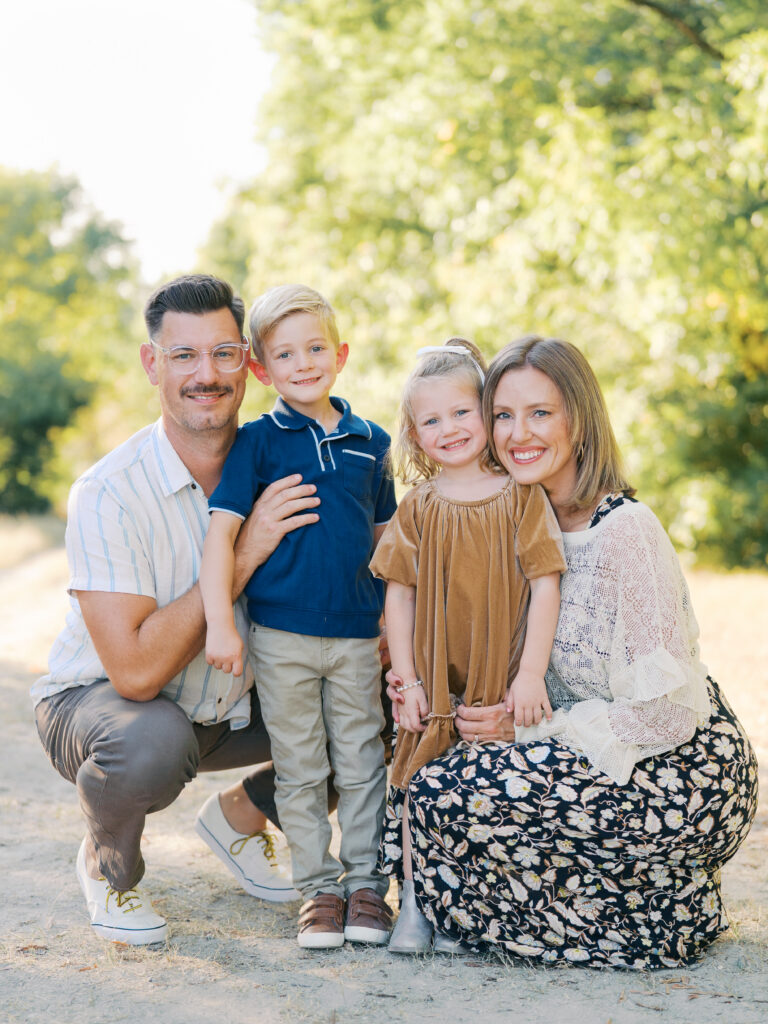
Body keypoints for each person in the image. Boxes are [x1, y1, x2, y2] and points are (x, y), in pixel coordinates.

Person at [389, 335, 759, 968]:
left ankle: (658, 910)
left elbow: (663, 716)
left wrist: (527, 732)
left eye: (541, 413)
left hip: (673, 768)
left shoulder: (625, 532)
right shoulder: (509, 517)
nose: (517, 433)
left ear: (579, 421)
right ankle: (636, 901)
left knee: (446, 795)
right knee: (420, 767)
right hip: (574, 753)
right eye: (503, 414)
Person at [31, 274, 323, 946]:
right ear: (151, 363)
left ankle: (243, 818)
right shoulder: (109, 491)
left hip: (237, 706)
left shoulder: (289, 463)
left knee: (384, 705)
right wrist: (242, 556)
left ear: (248, 365)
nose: (206, 374)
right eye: (183, 355)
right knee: (150, 740)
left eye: (223, 354)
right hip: (108, 709)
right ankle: (111, 864)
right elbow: (134, 674)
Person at [199, 284, 398, 949]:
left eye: (316, 348)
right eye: (285, 354)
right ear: (261, 370)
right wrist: (221, 624)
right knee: (302, 766)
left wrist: (399, 634)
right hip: (281, 638)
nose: (304, 363)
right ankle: (318, 890)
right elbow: (219, 539)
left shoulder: (374, 443)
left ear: (340, 354)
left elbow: (385, 547)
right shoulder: (257, 443)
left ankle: (367, 887)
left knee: (363, 761)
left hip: (358, 638)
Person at [369, 339, 566, 954]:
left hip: (497, 678)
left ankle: (466, 908)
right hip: (432, 679)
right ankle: (415, 907)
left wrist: (531, 674)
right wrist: (405, 679)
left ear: (486, 413)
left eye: (462, 413)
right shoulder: (420, 506)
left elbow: (545, 583)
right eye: (431, 420)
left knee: (481, 787)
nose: (449, 429)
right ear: (413, 433)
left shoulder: (520, 497)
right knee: (413, 776)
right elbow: (398, 597)